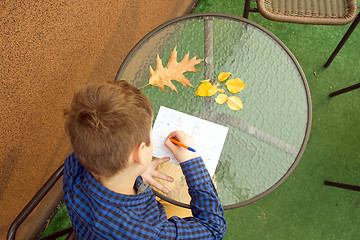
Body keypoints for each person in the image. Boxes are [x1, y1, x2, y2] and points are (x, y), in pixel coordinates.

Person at [63, 80, 227, 239]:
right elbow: (214, 228)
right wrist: (191, 161)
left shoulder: (74, 164)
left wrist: (136, 171)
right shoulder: (149, 231)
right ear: (140, 153)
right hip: (145, 218)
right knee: (208, 179)